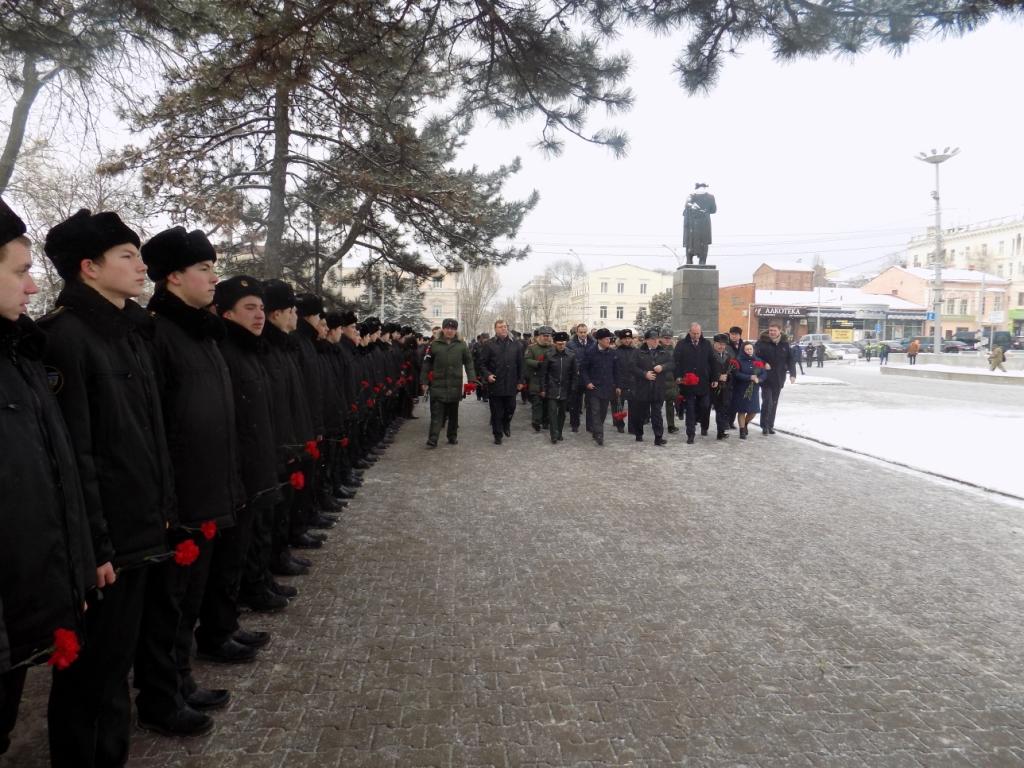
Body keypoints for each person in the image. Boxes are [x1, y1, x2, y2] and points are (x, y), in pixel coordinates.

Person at [41, 209, 176, 768]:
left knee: (115, 662)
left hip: (139, 526)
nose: (141, 266)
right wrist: (96, 544)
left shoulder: (128, 334)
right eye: (128, 256)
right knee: (92, 673)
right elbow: (77, 453)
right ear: (89, 268)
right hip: (109, 541)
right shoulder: (68, 337)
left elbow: (147, 435)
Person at [134, 227, 247, 739]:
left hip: (207, 491)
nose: (214, 277)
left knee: (189, 599)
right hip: (179, 500)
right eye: (204, 269)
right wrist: (170, 503)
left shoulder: (201, 333)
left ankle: (181, 679)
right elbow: (158, 426)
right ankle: (160, 696)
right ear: (174, 277)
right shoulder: (158, 334)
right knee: (168, 604)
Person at [0, 199, 93, 757]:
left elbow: (56, 473)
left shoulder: (19, 357)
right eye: (18, 271)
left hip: (26, 602)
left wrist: (74, 569)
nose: (33, 288)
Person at [420, 318, 474, 447]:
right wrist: (424, 381)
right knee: (436, 413)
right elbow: (426, 364)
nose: (450, 331)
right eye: (447, 328)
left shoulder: (461, 345)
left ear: (456, 330)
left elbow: (469, 362)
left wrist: (471, 380)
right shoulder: (434, 345)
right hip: (438, 384)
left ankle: (452, 436)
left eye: (453, 329)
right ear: (443, 329)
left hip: (455, 384)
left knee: (453, 414)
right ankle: (433, 439)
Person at [478, 319, 524, 445]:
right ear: (495, 329)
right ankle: (497, 434)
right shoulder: (489, 344)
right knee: (496, 411)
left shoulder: (516, 344)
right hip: (495, 383)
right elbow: (481, 364)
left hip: (511, 383)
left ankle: (506, 423)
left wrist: (521, 380)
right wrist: (488, 375)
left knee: (511, 408)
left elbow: (521, 364)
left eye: (505, 326)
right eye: (500, 327)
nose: (503, 329)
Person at [673, 322, 715, 444]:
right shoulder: (682, 344)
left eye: (698, 333)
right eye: (694, 333)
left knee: (705, 405)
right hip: (688, 383)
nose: (696, 336)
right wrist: (678, 377)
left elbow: (712, 362)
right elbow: (676, 362)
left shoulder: (706, 344)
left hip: (703, 382)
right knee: (690, 409)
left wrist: (714, 378)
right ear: (689, 332)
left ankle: (701, 422)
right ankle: (690, 434)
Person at [753, 321, 797, 436]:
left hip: (779, 378)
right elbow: (754, 357)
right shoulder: (761, 343)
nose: (772, 332)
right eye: (770, 330)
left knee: (774, 402)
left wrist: (793, 374)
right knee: (767, 401)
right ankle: (764, 426)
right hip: (765, 378)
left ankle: (770, 425)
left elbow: (791, 360)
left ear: (779, 331)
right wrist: (763, 363)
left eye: (774, 331)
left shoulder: (785, 344)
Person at [579, 328, 619, 446]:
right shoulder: (590, 352)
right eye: (606, 339)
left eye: (609, 339)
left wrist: (617, 385)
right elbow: (583, 369)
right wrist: (587, 382)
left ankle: (596, 430)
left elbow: (616, 371)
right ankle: (599, 434)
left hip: (607, 387)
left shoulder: (612, 353)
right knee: (595, 411)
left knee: (602, 412)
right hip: (594, 387)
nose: (609, 341)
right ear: (599, 340)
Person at [631, 329, 671, 445]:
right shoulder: (638, 352)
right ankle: (639, 433)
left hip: (658, 388)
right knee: (641, 413)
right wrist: (644, 374)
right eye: (653, 339)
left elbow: (672, 364)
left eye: (657, 339)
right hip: (643, 388)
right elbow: (632, 367)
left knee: (657, 414)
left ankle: (658, 437)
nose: (655, 341)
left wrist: (663, 367)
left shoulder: (663, 352)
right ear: (647, 340)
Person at [538, 331, 577, 443]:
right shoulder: (549, 355)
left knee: (562, 413)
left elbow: (574, 374)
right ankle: (553, 434)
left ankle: (559, 432)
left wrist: (573, 387)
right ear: (555, 343)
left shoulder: (571, 355)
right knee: (552, 412)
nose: (561, 345)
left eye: (563, 343)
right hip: (552, 388)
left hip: (565, 388)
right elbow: (543, 373)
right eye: (559, 343)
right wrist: (543, 388)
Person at [731, 342, 768, 439]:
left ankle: (746, 423)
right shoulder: (738, 361)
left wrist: (759, 379)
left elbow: (764, 373)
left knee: (753, 411)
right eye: (747, 349)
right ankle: (742, 430)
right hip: (741, 388)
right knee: (742, 411)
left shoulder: (758, 361)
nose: (749, 351)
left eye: (750, 349)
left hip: (754, 389)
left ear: (753, 350)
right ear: (743, 350)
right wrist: (749, 377)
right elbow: (736, 374)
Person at [524, 325, 553, 432]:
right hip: (536, 379)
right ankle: (536, 422)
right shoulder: (532, 348)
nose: (546, 338)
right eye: (544, 336)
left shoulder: (553, 348)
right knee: (537, 402)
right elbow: (527, 360)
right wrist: (539, 364)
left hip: (549, 380)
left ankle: (546, 421)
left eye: (548, 336)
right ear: (539, 336)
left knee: (548, 402)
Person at [566, 323, 593, 432]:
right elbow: (568, 360)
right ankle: (574, 424)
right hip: (576, 377)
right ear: (577, 332)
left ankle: (590, 425)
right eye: (581, 332)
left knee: (590, 403)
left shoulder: (593, 343)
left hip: (589, 377)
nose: (583, 334)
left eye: (584, 332)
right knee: (575, 403)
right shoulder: (570, 344)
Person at [682, 182, 717, 265]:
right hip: (704, 224)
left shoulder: (691, 196)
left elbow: (686, 206)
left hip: (692, 224)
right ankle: (702, 261)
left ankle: (689, 260)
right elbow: (713, 210)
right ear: (705, 187)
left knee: (689, 242)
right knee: (704, 242)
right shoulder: (710, 197)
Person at [709, 333, 734, 439]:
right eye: (719, 344)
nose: (721, 346)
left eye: (724, 344)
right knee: (705, 408)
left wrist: (727, 377)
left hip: (724, 387)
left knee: (722, 408)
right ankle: (704, 426)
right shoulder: (709, 355)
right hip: (710, 386)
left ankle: (721, 431)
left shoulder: (728, 356)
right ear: (714, 343)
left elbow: (732, 371)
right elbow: (706, 370)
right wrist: (718, 376)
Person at [658, 328, 679, 433]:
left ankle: (671, 425)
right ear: (661, 338)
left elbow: (677, 365)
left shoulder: (674, 351)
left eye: (669, 338)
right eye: (665, 338)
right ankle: (658, 425)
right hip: (659, 381)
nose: (667, 340)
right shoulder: (657, 349)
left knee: (670, 405)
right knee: (658, 405)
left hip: (671, 381)